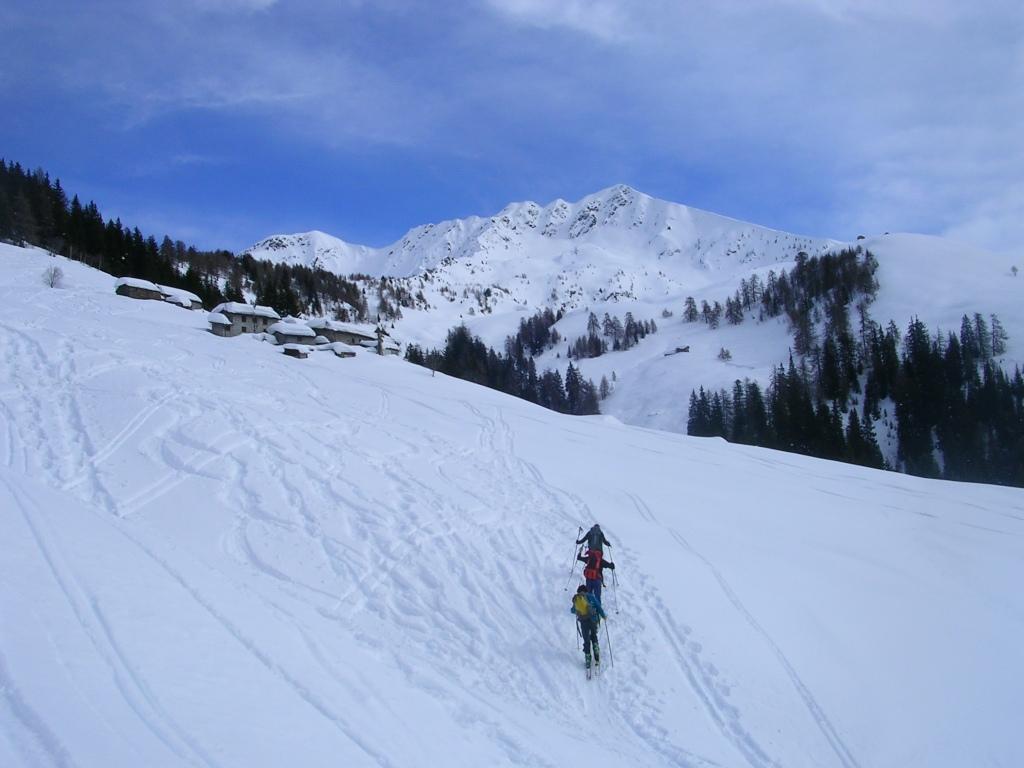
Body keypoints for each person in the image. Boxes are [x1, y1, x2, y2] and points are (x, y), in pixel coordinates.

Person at [571, 584, 605, 669]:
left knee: (586, 640)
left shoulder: (578, 599)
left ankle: (587, 658)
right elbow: (598, 606)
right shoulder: (591, 596)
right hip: (593, 620)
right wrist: (603, 615)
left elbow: (572, 610)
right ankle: (596, 649)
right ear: (586, 590)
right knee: (593, 635)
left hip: (583, 622)